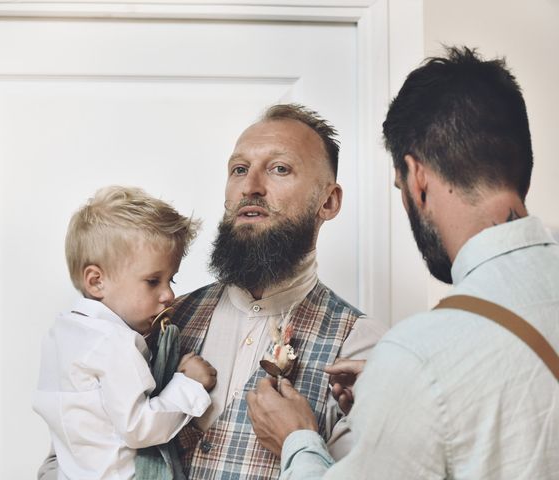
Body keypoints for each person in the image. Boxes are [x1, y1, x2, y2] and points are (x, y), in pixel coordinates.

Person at [246, 46, 559, 479]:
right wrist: (402, 392)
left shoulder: (419, 354)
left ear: (417, 176)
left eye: (399, 186)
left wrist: (296, 439)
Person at [38, 104, 386, 479]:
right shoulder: (155, 320)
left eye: (279, 168)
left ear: (328, 201)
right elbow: (69, 454)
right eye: (239, 170)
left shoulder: (362, 350)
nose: (250, 187)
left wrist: (299, 441)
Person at [33, 185, 217, 479]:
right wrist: (189, 385)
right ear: (96, 282)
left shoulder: (62, 333)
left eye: (171, 279)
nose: (169, 295)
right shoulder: (112, 341)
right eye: (152, 281)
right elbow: (139, 428)